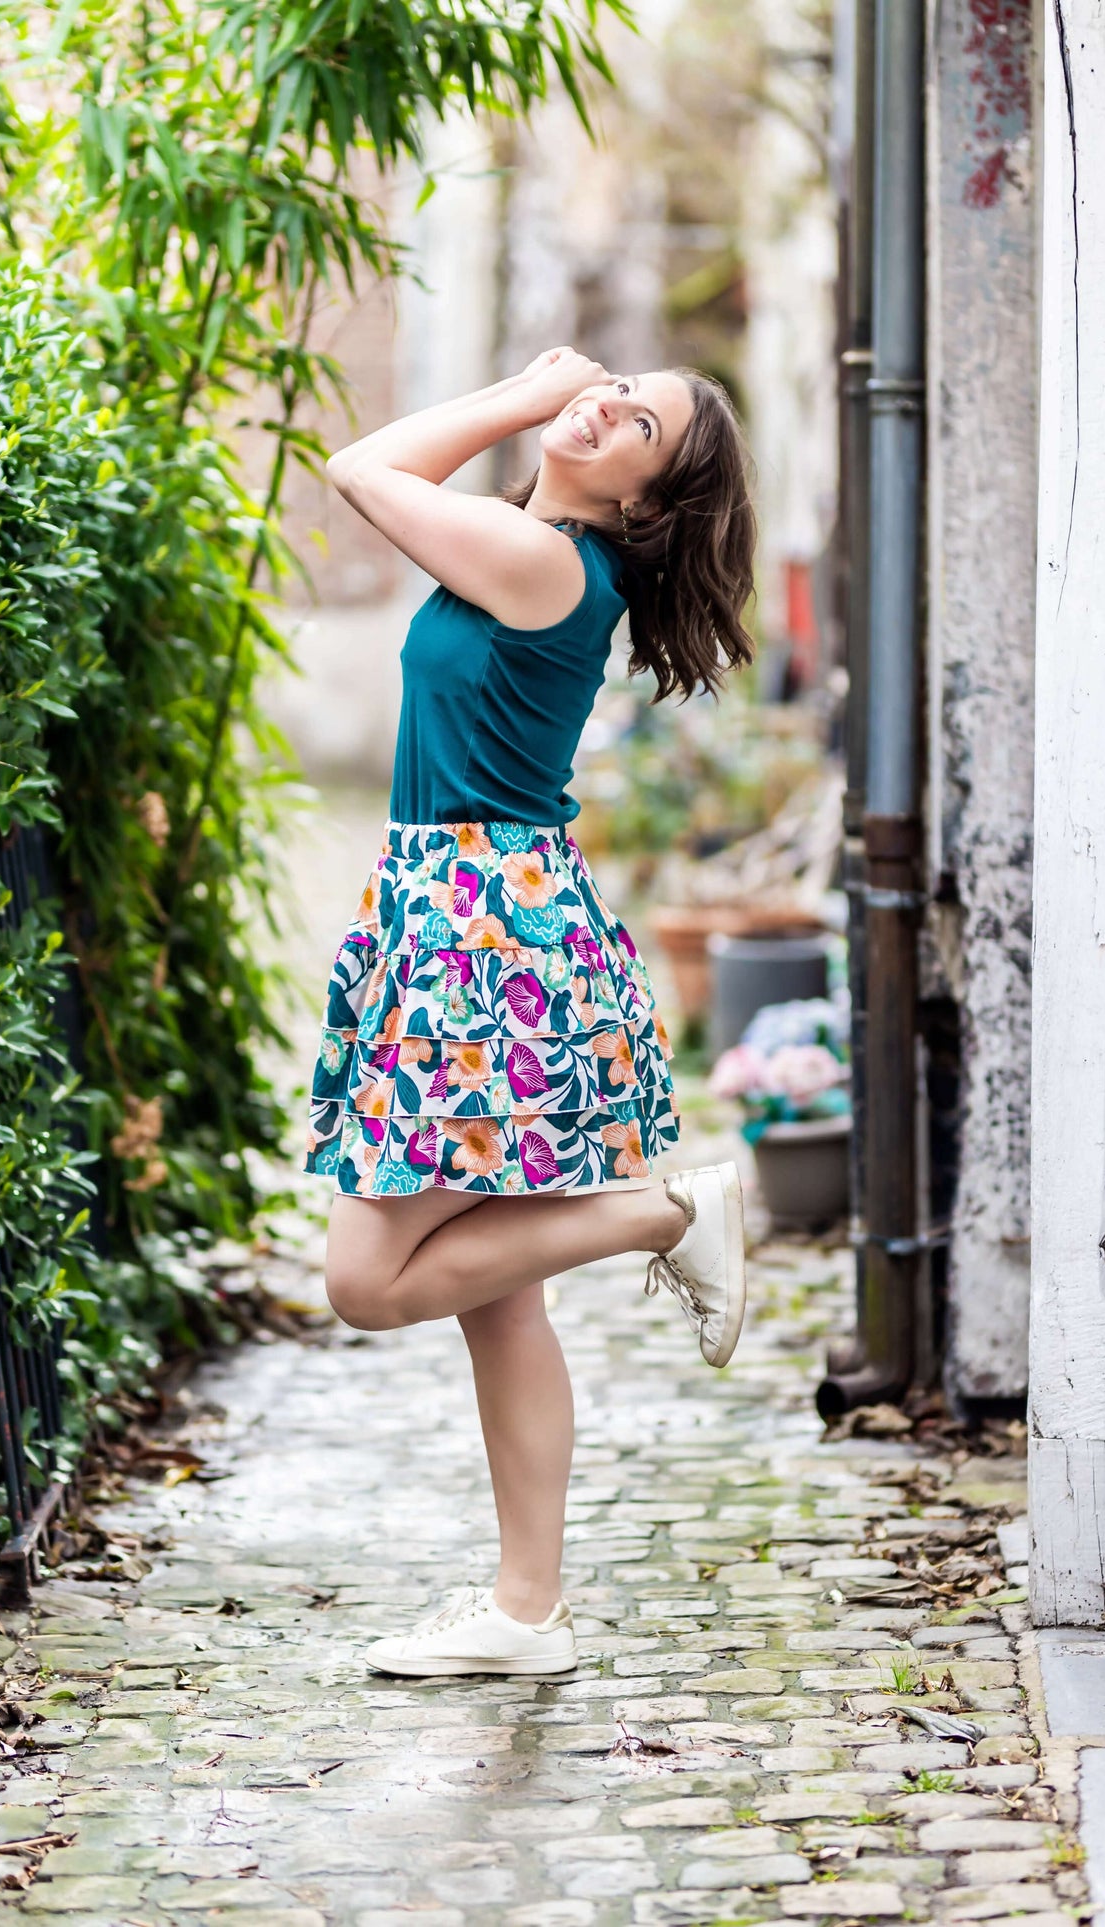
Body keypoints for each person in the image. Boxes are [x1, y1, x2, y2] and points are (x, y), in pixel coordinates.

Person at [310, 347, 758, 1679]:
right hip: (469, 921)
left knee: (363, 1280)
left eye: (636, 422)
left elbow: (360, 468)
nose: (603, 402)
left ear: (644, 502)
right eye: (623, 383)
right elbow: (403, 480)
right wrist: (534, 415)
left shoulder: (553, 567)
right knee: (498, 1299)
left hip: (480, 937)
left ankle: (669, 1214)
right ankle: (524, 1612)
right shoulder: (530, 546)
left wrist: (518, 396)